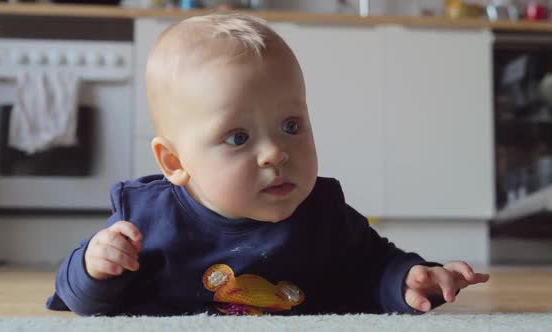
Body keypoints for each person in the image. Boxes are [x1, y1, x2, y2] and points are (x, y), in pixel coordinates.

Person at [46, 13, 489, 316]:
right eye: (238, 137)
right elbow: (83, 300)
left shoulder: (323, 213)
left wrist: (407, 279)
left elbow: (373, 265)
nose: (276, 153)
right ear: (176, 161)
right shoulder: (146, 219)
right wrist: (93, 266)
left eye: (292, 125)